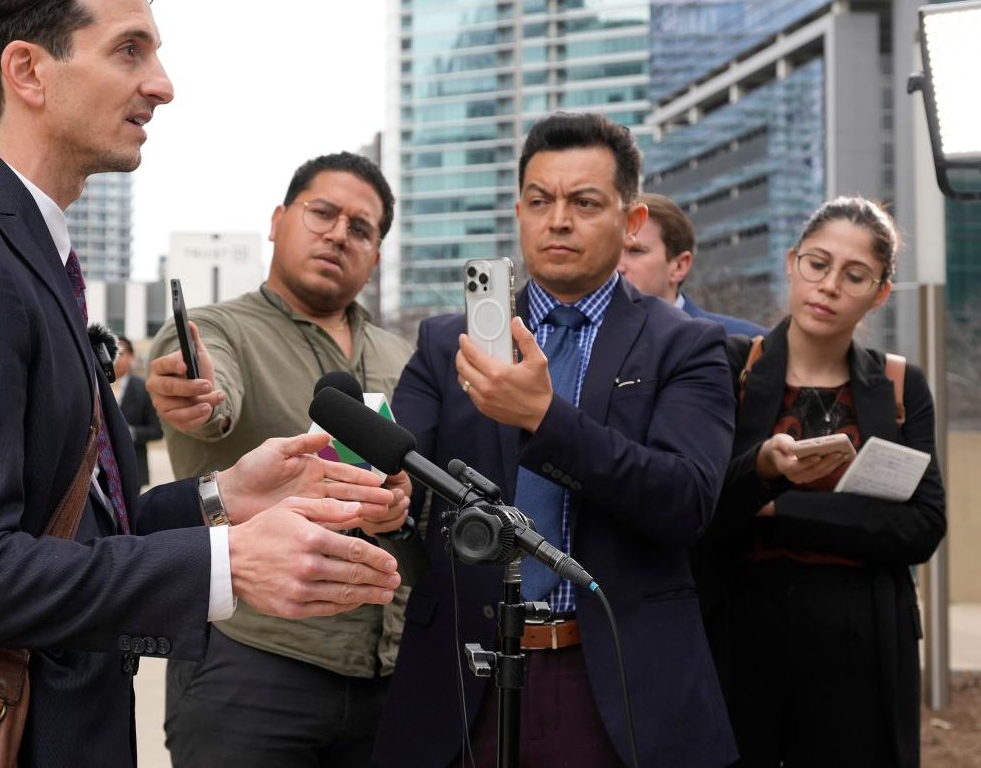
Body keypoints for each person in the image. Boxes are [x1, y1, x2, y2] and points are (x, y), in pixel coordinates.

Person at [0, 0, 402, 767]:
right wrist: (223, 564)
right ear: (28, 71)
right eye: (129, 50)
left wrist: (223, 495)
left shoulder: (26, 255)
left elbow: (65, 531)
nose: (162, 85)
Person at [373, 112, 738, 768]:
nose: (558, 219)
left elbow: (686, 499)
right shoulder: (446, 343)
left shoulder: (686, 344)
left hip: (618, 677)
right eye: (540, 201)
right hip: (463, 676)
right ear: (519, 211)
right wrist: (377, 483)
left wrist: (547, 419)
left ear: (631, 222)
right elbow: (399, 470)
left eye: (584, 202)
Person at [146, 151, 416, 767]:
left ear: (375, 256)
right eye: (322, 213)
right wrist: (197, 392)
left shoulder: (399, 353)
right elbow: (210, 391)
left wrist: (399, 503)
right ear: (278, 220)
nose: (337, 234)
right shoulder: (221, 329)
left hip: (386, 671)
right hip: (251, 664)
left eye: (360, 228)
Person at [693, 197, 946, 768]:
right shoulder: (730, 367)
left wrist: (777, 510)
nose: (829, 285)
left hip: (864, 646)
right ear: (791, 263)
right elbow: (699, 508)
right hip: (741, 637)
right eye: (817, 264)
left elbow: (922, 526)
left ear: (880, 292)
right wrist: (761, 472)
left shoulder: (900, 385)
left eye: (854, 275)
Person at [619, 192, 766, 337]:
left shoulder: (744, 342)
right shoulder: (599, 341)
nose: (619, 267)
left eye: (635, 251)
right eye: (614, 252)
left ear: (679, 267)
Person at [114, 334, 163, 488]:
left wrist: (131, 433)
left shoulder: (143, 388)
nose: (114, 357)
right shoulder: (93, 385)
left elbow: (157, 430)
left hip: (132, 469)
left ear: (131, 356)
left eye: (120, 352)